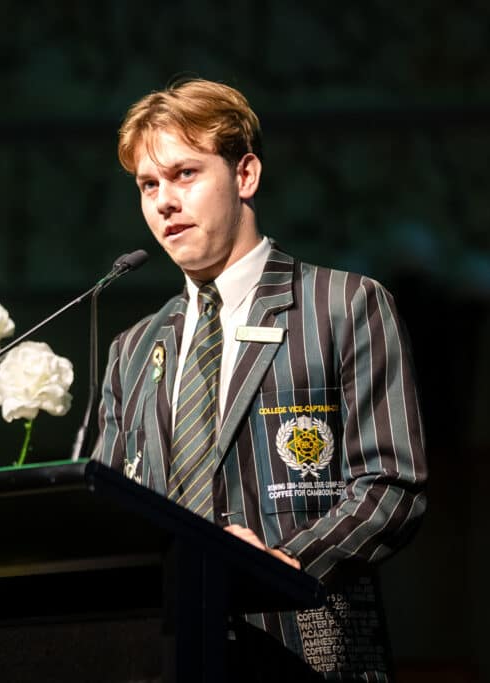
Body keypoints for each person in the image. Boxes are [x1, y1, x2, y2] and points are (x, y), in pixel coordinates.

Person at [92, 78, 427, 681]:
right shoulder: (133, 349)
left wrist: (281, 565)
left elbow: (391, 487)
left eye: (185, 174)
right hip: (165, 656)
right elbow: (108, 514)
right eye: (148, 185)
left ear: (245, 175)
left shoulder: (343, 305)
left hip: (304, 653)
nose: (164, 201)